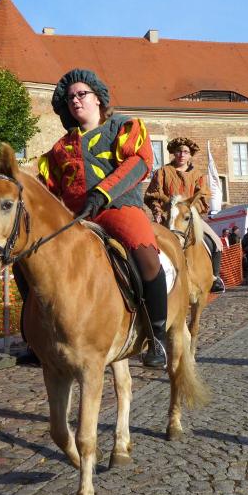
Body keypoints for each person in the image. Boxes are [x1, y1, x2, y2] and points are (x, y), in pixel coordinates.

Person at [41, 68, 167, 368]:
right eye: (70, 98)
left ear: (98, 98)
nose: (75, 100)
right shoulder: (59, 148)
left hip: (118, 208)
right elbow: (48, 188)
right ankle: (38, 337)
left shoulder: (124, 127)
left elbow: (139, 163)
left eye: (81, 94)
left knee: (147, 258)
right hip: (75, 219)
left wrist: (102, 194)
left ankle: (157, 336)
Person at [144, 136, 224, 292]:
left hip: (190, 217)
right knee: (147, 244)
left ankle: (214, 278)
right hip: (167, 217)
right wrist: (157, 211)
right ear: (174, 153)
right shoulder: (162, 172)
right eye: (179, 151)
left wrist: (192, 210)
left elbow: (203, 197)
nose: (182, 155)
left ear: (190, 154)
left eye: (186, 152)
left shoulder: (198, 175)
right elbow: (153, 196)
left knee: (216, 243)